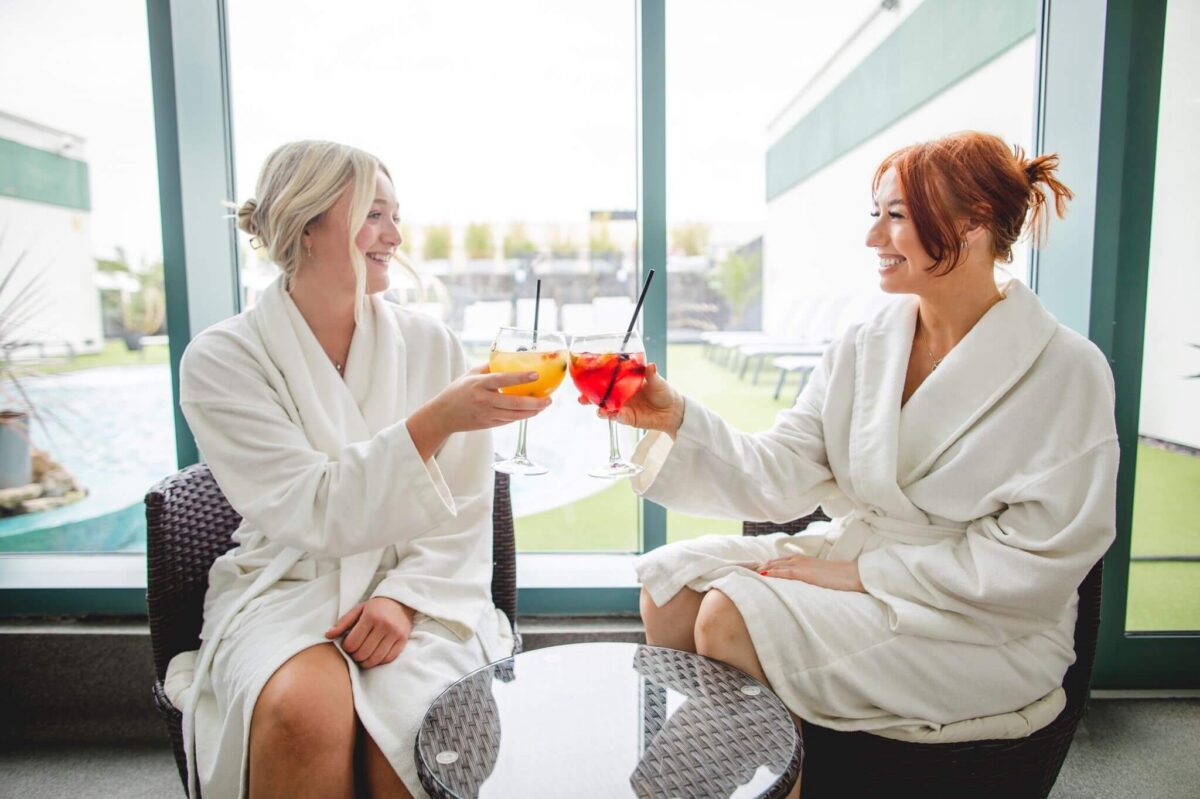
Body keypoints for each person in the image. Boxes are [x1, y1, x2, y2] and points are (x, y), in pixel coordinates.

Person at [594, 132, 1118, 773]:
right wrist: (676, 415)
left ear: (975, 222)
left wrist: (863, 575)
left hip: (983, 622)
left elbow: (1040, 559)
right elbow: (781, 474)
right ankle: (711, 781)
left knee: (728, 616)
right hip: (869, 561)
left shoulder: (1065, 369)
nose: (874, 239)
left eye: (896, 216)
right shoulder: (865, 345)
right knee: (671, 588)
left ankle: (765, 779)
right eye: (876, 214)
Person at [172, 140, 549, 798]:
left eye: (396, 215)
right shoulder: (222, 360)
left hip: (419, 584)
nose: (395, 235)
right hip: (290, 582)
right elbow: (314, 508)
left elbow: (463, 508)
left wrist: (405, 598)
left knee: (410, 727)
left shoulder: (431, 342)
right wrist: (437, 419)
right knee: (300, 713)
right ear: (309, 223)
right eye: (375, 214)